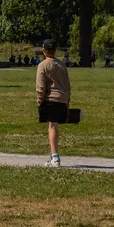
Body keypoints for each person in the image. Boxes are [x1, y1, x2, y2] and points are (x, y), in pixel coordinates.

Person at [35, 40, 71, 168]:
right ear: (55, 50)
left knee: (52, 126)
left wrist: (39, 101)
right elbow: (67, 84)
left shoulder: (43, 65)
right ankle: (52, 156)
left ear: (43, 51)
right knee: (53, 126)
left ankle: (55, 158)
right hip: (62, 98)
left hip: (51, 99)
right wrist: (67, 100)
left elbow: (40, 86)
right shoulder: (61, 64)